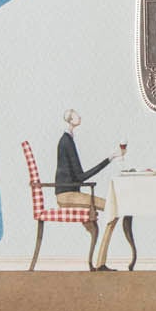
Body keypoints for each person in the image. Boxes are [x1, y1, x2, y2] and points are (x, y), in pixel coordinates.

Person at [53, 108, 123, 270]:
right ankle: (100, 262)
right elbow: (81, 177)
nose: (80, 116)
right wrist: (110, 159)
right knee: (113, 207)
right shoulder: (66, 141)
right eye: (76, 115)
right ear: (70, 120)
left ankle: (99, 262)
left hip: (70, 193)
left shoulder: (67, 140)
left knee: (112, 210)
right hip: (67, 195)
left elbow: (77, 176)